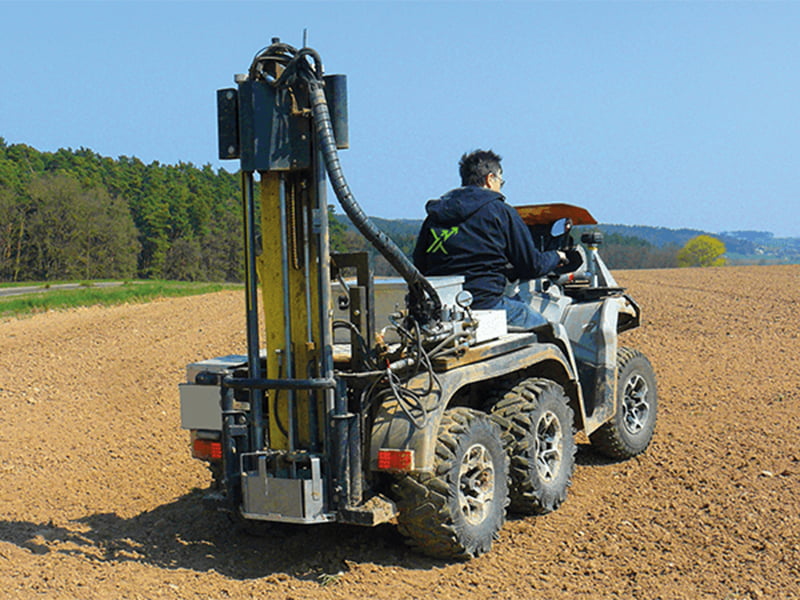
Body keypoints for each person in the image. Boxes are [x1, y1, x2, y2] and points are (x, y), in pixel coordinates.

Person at [412, 149, 566, 329]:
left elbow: (419, 265)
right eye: (501, 181)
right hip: (486, 305)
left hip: (440, 311)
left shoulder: (435, 216)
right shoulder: (500, 211)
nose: (500, 186)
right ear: (490, 178)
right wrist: (557, 256)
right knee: (550, 330)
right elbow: (532, 266)